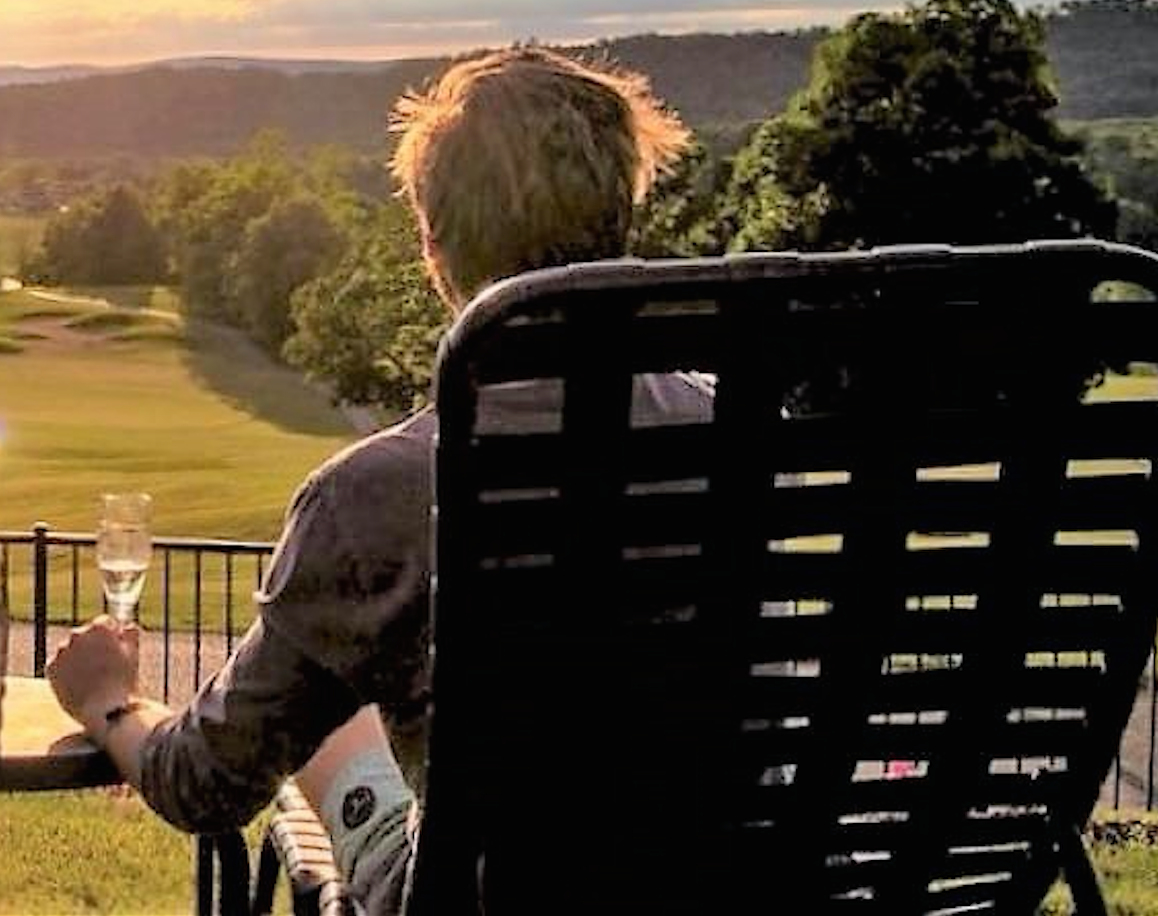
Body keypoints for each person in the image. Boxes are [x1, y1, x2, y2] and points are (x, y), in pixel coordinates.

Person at [45, 48, 705, 913]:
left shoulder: (379, 493)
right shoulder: (723, 428)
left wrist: (107, 700)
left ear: (433, 245)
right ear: (623, 213)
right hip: (730, 886)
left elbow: (206, 783)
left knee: (331, 729)